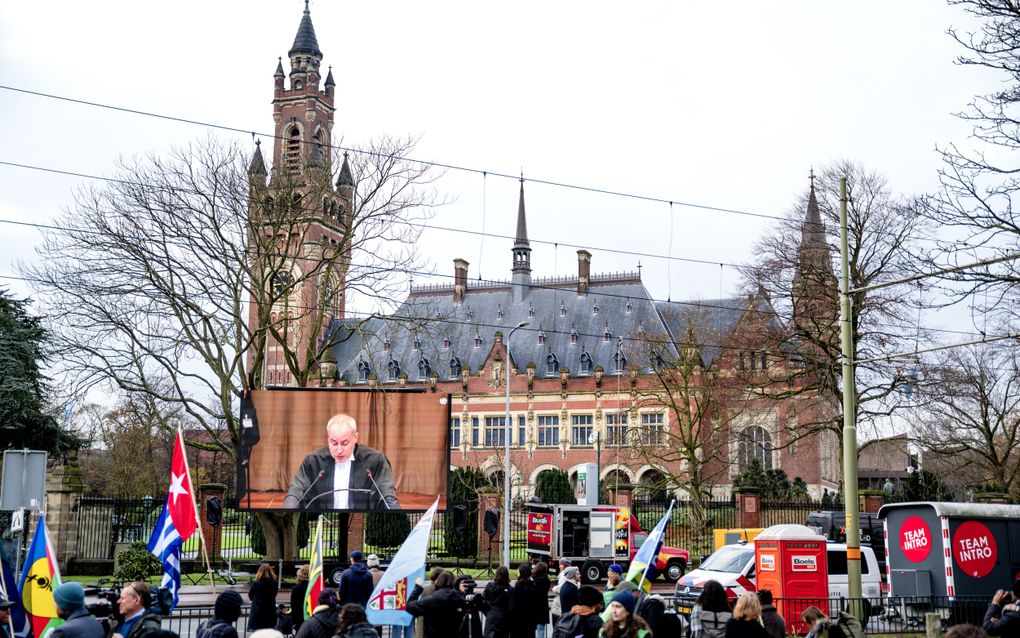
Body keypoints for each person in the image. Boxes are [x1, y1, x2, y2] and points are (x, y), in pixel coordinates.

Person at [284, 413, 399, 510]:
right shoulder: (313, 461)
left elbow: (387, 494)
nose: (338, 450)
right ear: (328, 438)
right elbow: (296, 491)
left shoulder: (375, 460)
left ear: (356, 438)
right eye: (334, 443)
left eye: (344, 443)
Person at [407, 571, 467, 638]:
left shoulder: (432, 600)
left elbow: (410, 606)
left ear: (438, 582)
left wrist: (417, 588)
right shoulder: (461, 601)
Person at [510, 564, 540, 638]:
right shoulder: (533, 585)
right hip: (530, 620)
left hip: (518, 621)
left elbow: (514, 605)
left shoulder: (518, 586)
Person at [249, 562, 280, 632]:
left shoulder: (257, 583)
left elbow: (250, 595)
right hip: (270, 611)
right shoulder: (274, 583)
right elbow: (274, 594)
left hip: (257, 611)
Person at [483, 566, 513, 638]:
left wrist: (487, 612)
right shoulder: (510, 589)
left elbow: (483, 601)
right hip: (503, 618)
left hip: (490, 616)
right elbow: (511, 607)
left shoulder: (489, 586)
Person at [532, 562, 551, 638]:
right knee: (541, 629)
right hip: (542, 607)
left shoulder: (532, 579)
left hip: (533, 606)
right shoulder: (546, 580)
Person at [291, 565, 311, 632]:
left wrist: (294, 622)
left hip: (299, 618)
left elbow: (293, 606)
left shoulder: (296, 589)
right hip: (311, 618)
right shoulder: (313, 587)